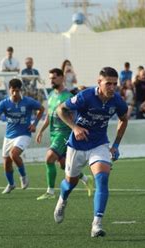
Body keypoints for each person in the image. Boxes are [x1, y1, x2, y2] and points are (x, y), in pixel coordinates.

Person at [53, 67, 128, 238]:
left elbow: (124, 119)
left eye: (114, 84)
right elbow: (60, 110)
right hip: (77, 145)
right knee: (70, 183)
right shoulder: (85, 96)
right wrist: (75, 127)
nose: (112, 87)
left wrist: (115, 145)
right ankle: (63, 199)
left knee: (102, 178)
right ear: (99, 82)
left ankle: (97, 224)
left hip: (99, 144)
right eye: (108, 83)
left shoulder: (117, 100)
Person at [35, 68, 93, 200]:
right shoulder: (51, 96)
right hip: (54, 133)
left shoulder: (68, 97)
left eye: (54, 78)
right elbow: (49, 115)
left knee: (49, 158)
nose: (51, 80)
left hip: (65, 133)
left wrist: (76, 129)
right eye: (50, 78)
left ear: (62, 78)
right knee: (63, 165)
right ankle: (86, 179)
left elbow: (75, 115)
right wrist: (41, 130)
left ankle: (50, 192)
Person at [0, 78, 44, 194]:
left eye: (17, 90)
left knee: (14, 154)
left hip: (24, 134)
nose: (15, 93)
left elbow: (41, 109)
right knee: (6, 163)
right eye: (13, 90)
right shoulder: (4, 103)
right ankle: (11, 184)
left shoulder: (28, 101)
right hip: (9, 136)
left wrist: (35, 124)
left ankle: (23, 176)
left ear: (20, 90)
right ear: (9, 90)